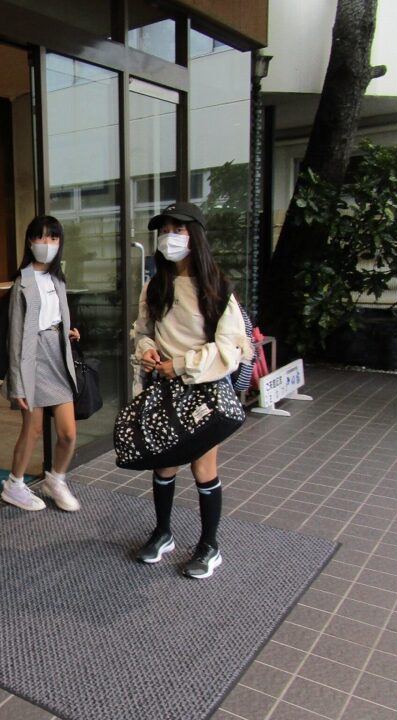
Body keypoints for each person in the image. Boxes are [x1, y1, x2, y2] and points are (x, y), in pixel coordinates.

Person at [132, 201, 251, 579]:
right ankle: (162, 533)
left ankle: (209, 545)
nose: (170, 237)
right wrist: (147, 351)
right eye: (165, 230)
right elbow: (143, 331)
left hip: (204, 390)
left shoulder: (216, 288)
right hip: (165, 389)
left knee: (203, 466)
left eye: (179, 230)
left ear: (195, 235)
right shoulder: (155, 286)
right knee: (164, 462)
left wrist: (182, 364)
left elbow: (230, 348)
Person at [0, 216, 82, 512]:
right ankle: (14, 484)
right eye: (41, 237)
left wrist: (67, 331)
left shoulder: (58, 278)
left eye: (53, 238)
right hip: (32, 360)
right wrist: (18, 384)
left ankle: (56, 480)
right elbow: (15, 336)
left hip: (57, 357)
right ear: (30, 241)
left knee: (68, 433)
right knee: (32, 430)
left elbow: (56, 315)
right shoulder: (22, 282)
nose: (47, 243)